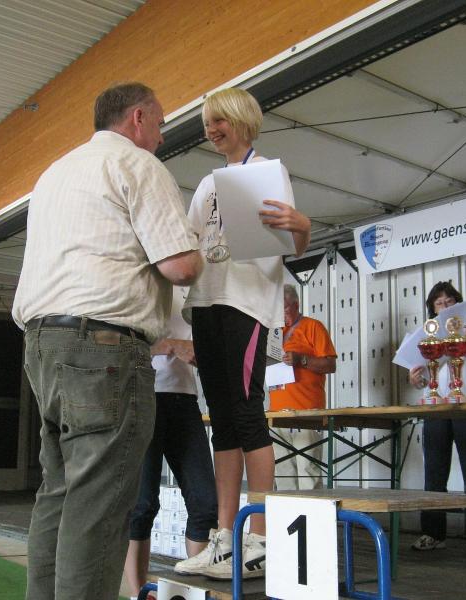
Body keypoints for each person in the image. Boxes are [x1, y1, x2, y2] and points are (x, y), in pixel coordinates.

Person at [11, 82, 202, 600]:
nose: (161, 137)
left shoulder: (54, 173)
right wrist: (201, 247)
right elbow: (181, 267)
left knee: (58, 492)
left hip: (42, 344)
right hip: (104, 349)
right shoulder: (138, 165)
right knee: (98, 501)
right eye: (160, 124)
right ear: (138, 118)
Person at [175, 87, 311, 580]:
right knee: (224, 422)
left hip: (247, 305)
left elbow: (293, 242)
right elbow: (190, 243)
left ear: (241, 120)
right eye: (207, 123)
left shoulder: (269, 172)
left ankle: (262, 538)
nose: (211, 130)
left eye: (219, 121)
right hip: (206, 304)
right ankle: (225, 538)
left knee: (248, 414)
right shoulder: (206, 184)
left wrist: (303, 225)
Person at [123, 287, 217, 599]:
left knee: (205, 504)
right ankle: (138, 594)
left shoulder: (192, 291)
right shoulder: (140, 283)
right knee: (142, 505)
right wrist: (171, 345)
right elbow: (122, 342)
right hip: (142, 396)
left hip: (185, 400)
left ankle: (197, 591)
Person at [407, 281, 466, 555]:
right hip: (436, 409)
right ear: (432, 309)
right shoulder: (426, 337)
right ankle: (433, 533)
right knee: (434, 472)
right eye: (439, 303)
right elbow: (422, 381)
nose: (444, 307)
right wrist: (415, 379)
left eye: (449, 301)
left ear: (458, 303)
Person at [269, 284, 336, 490]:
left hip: (307, 413)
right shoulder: (273, 333)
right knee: (283, 475)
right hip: (277, 414)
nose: (280, 314)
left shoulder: (313, 327)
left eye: (284, 308)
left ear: (296, 305)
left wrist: (302, 360)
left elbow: (330, 365)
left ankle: (312, 511)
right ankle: (286, 513)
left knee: (308, 472)